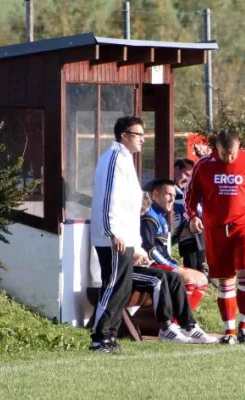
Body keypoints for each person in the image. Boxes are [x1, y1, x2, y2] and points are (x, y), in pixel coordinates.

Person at [184, 129, 245, 344]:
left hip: (244, 226)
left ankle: (244, 327)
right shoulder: (203, 165)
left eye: (232, 154)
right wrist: (193, 216)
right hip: (216, 230)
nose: (229, 158)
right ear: (217, 148)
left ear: (239, 146)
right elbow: (190, 195)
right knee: (225, 280)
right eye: (225, 154)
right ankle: (230, 331)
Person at [90, 115, 149, 353]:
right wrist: (112, 232)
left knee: (123, 289)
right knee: (113, 286)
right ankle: (100, 337)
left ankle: (110, 337)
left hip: (125, 239)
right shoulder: (114, 158)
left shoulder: (127, 161)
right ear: (124, 136)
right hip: (113, 239)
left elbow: (130, 208)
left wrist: (137, 245)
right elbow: (108, 200)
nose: (142, 140)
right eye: (138, 135)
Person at [141, 179, 208, 311]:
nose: (172, 200)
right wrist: (171, 266)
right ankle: (177, 322)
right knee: (189, 279)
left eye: (174, 196)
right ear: (155, 195)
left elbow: (162, 249)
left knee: (202, 279)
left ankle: (185, 322)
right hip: (150, 264)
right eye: (168, 195)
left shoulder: (161, 216)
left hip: (163, 262)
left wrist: (174, 264)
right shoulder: (149, 217)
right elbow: (149, 248)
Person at [132, 264, 217, 344]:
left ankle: (188, 326)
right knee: (159, 278)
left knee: (174, 278)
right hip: (127, 267)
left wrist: (142, 255)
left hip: (142, 265)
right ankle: (166, 328)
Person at [172, 159, 206, 272]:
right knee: (191, 223)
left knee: (195, 223)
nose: (188, 179)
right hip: (165, 227)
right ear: (175, 170)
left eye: (191, 176)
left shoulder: (190, 190)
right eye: (186, 174)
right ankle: (195, 270)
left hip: (182, 229)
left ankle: (198, 268)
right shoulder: (166, 187)